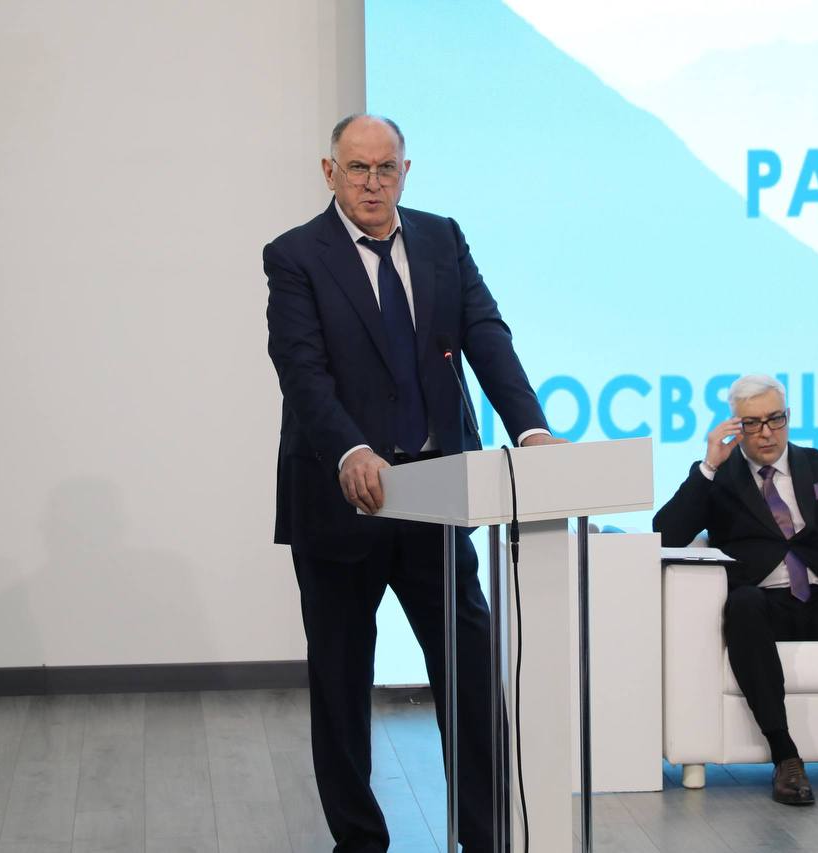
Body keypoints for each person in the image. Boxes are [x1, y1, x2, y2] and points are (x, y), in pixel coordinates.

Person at [263, 114, 561, 853]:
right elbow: (302, 369)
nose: (373, 183)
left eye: (385, 168)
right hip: (343, 497)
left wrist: (530, 429)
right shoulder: (295, 255)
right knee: (342, 682)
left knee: (470, 674)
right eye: (357, 169)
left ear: (405, 171)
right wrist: (351, 449)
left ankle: (485, 837)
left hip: (439, 490)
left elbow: (486, 334)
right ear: (330, 172)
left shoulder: (441, 239)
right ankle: (360, 841)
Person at [653, 374, 818, 806]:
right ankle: (785, 757)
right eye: (752, 423)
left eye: (775, 419)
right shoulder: (721, 478)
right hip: (763, 606)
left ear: (788, 416)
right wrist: (709, 467)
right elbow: (666, 535)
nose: (766, 432)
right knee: (743, 604)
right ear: (736, 427)